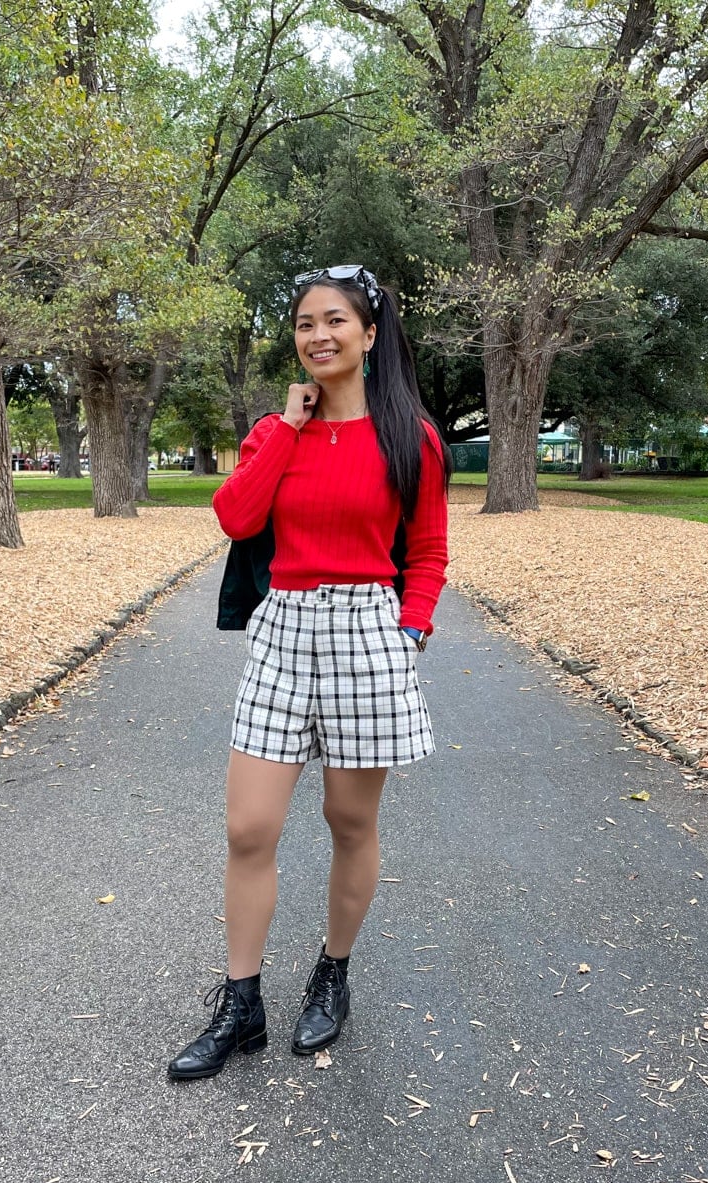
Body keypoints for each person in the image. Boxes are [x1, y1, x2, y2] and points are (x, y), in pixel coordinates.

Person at [167, 264, 451, 1081]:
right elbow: (234, 516)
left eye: (335, 321)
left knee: (348, 822)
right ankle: (242, 1004)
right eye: (303, 324)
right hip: (284, 628)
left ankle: (333, 973)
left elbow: (427, 552)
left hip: (369, 629)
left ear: (369, 334)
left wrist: (409, 632)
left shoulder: (413, 437)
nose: (318, 336)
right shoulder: (274, 429)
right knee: (249, 828)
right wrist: (288, 430)